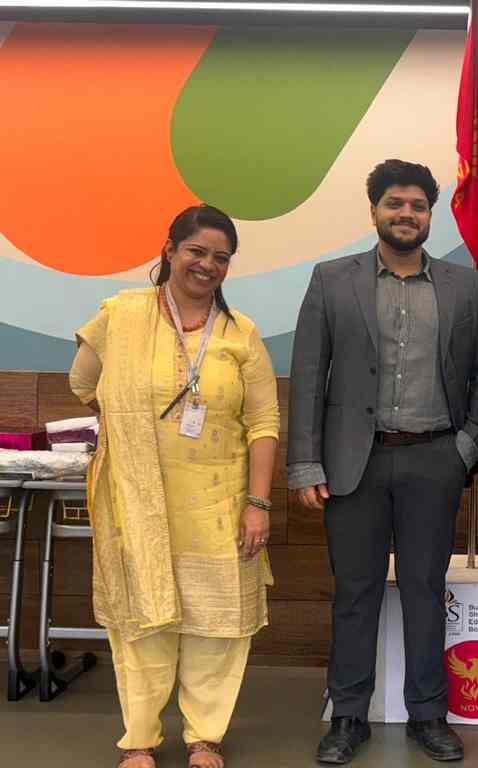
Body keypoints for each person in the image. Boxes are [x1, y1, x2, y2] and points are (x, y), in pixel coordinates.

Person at [288, 159, 478, 765]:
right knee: (354, 592)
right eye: (395, 204)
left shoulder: (465, 286)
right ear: (375, 211)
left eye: (417, 206)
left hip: (434, 459)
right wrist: (306, 464)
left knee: (425, 591)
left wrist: (465, 447)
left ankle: (428, 714)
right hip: (352, 464)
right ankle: (348, 716)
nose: (406, 214)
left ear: (430, 215)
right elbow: (308, 375)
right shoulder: (333, 280)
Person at [70, 205, 280, 768]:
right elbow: (83, 382)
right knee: (142, 622)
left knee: (217, 624)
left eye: (221, 258)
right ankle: (139, 740)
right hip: (136, 501)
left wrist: (257, 503)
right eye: (197, 251)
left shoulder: (240, 333)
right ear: (169, 250)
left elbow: (263, 423)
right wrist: (133, 428)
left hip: (219, 502)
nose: (207, 265)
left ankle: (204, 736)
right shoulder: (120, 315)